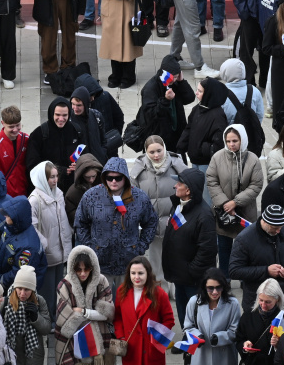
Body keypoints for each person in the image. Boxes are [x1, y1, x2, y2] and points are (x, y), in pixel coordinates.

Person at [74, 158, 157, 290]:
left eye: (118, 178)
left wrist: (140, 247)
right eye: (109, 177)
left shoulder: (139, 197)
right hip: (100, 263)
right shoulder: (91, 196)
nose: (113, 181)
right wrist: (91, 248)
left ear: (125, 178)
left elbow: (151, 223)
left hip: (128, 263)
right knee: (102, 304)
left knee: (126, 305)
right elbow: (80, 223)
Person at [127, 137, 185, 284]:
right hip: (151, 225)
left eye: (159, 151)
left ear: (164, 148)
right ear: (146, 152)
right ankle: (158, 289)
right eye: (151, 152)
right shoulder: (138, 169)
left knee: (175, 258)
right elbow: (133, 197)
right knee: (155, 261)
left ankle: (174, 288)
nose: (156, 155)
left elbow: (189, 189)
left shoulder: (177, 165)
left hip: (174, 222)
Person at [207, 125, 265, 272]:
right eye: (228, 141)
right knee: (224, 247)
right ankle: (225, 278)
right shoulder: (217, 157)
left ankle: (244, 276)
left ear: (242, 140)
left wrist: (236, 202)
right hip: (224, 213)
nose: (231, 144)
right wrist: (225, 203)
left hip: (245, 213)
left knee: (246, 248)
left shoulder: (253, 159)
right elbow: (211, 180)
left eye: (235, 141)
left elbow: (256, 185)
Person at [161, 168, 217, 319]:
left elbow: (207, 250)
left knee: (195, 317)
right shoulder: (179, 206)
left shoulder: (204, 216)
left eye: (179, 184)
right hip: (180, 276)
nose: (175, 186)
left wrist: (191, 271)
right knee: (183, 315)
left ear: (188, 190)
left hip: (193, 280)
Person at [228, 203, 284, 306]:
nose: (279, 231)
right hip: (258, 300)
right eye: (275, 228)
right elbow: (234, 271)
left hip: (283, 296)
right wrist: (266, 271)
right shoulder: (244, 239)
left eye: (281, 227)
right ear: (265, 222)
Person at [54, 247, 113, 365]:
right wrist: (94, 314)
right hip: (73, 339)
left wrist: (83, 312)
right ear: (72, 268)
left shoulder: (101, 281)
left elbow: (108, 313)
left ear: (93, 267)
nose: (82, 273)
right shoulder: (64, 285)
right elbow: (65, 324)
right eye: (78, 269)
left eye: (87, 269)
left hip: (100, 335)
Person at [113, 257, 175, 365]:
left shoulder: (159, 293)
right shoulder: (121, 291)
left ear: (148, 274)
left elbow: (169, 319)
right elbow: (118, 317)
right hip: (131, 348)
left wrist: (156, 339)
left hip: (151, 349)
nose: (136, 277)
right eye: (133, 273)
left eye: (140, 273)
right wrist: (121, 336)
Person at [28, 162, 71, 299]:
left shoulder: (58, 194)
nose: (55, 180)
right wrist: (44, 243)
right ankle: (49, 320)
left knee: (59, 292)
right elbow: (32, 227)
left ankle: (57, 318)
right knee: (48, 294)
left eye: (56, 176)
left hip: (61, 250)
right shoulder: (34, 200)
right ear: (42, 178)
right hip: (48, 254)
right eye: (51, 177)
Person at [0, 198, 45, 292]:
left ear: (17, 217)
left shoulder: (28, 247)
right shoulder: (11, 228)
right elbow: (0, 250)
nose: (5, 216)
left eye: (8, 214)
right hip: (6, 285)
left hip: (19, 292)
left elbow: (19, 273)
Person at [2, 267, 51, 365]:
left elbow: (47, 329)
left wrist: (36, 317)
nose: (22, 293)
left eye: (27, 289)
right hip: (13, 355)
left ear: (32, 289)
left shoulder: (40, 301)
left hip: (34, 355)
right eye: (19, 288)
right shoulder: (5, 302)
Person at [234, 279, 284, 365]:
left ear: (277, 299)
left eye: (268, 302)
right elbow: (238, 339)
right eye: (261, 300)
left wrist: (278, 345)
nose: (263, 305)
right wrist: (244, 345)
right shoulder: (248, 315)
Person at [0, 107, 29, 198]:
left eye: (18, 125)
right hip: (5, 199)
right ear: (2, 123)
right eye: (11, 127)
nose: (15, 130)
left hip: (25, 195)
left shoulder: (26, 140)